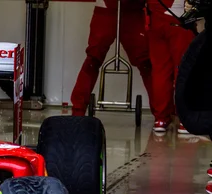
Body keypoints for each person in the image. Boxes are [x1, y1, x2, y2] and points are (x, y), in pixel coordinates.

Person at [71, 0, 156, 117]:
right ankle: (78, 110)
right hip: (106, 9)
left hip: (133, 11)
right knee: (93, 59)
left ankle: (161, 114)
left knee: (145, 62)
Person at [146, 0, 196, 133]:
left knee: (159, 71)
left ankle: (160, 119)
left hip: (155, 19)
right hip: (179, 19)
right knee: (184, 70)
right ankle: (184, 120)